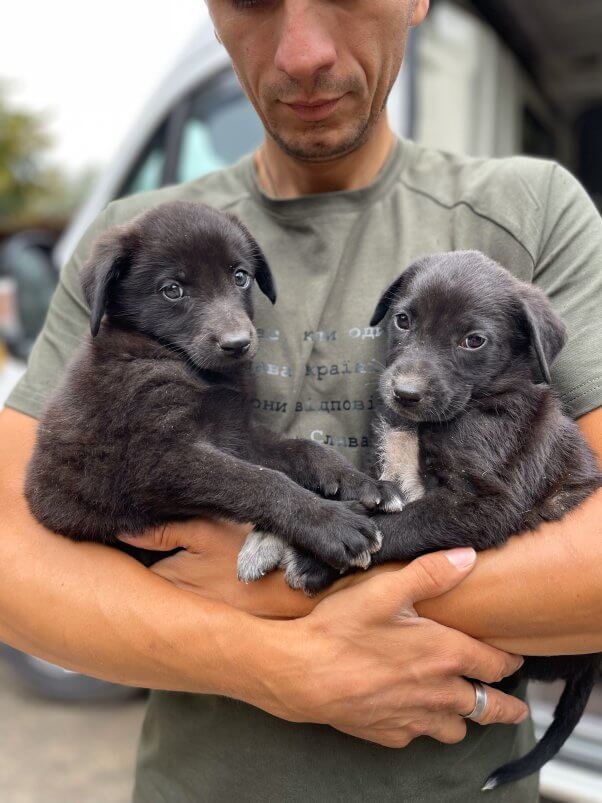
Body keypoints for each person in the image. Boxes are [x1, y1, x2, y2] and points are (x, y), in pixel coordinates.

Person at [1, 0, 601, 800]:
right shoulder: (134, 237)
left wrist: (302, 584)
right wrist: (281, 667)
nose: (303, 52)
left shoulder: (532, 213)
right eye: (253, 0)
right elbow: (14, 555)